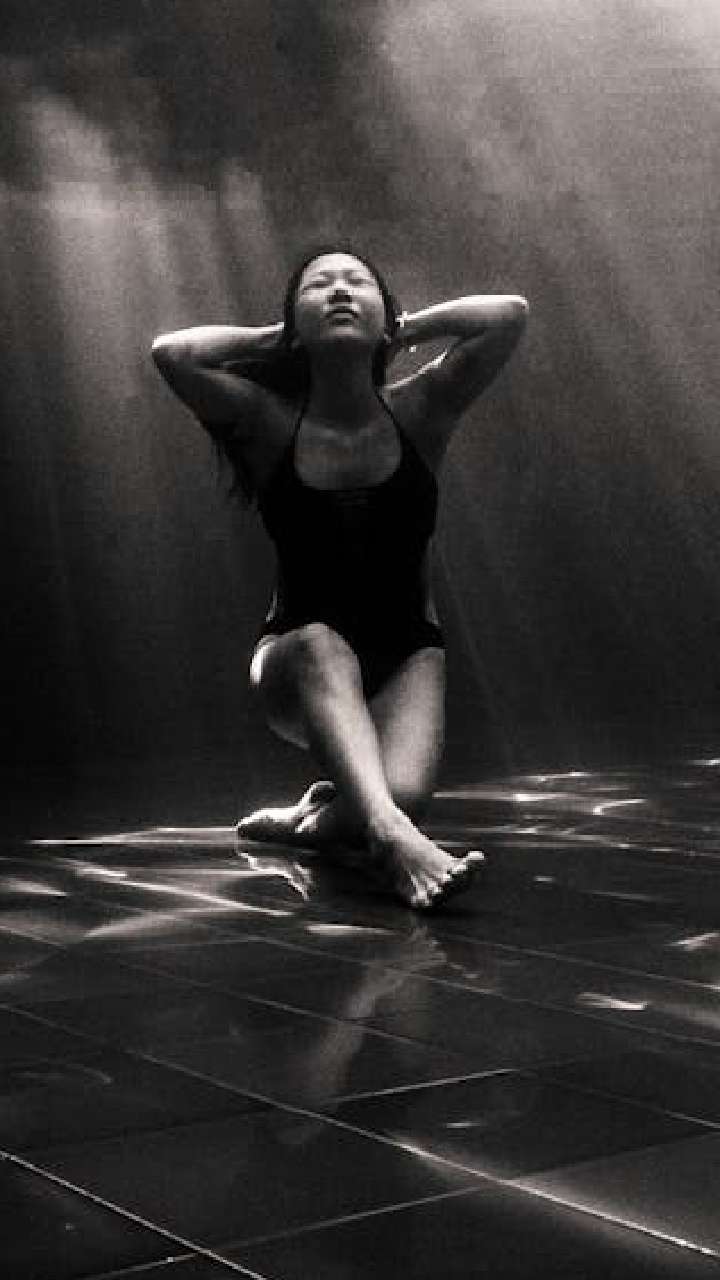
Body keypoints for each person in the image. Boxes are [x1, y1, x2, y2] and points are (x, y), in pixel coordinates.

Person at [152, 245, 528, 909]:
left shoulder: (422, 408)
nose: (340, 290)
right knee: (326, 649)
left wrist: (404, 328)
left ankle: (316, 823)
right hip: (297, 659)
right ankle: (391, 838)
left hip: (407, 653)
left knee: (400, 793)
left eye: (357, 282)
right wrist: (275, 337)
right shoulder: (269, 422)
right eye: (319, 284)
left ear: (385, 314)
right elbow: (172, 355)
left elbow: (509, 314)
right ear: (293, 325)